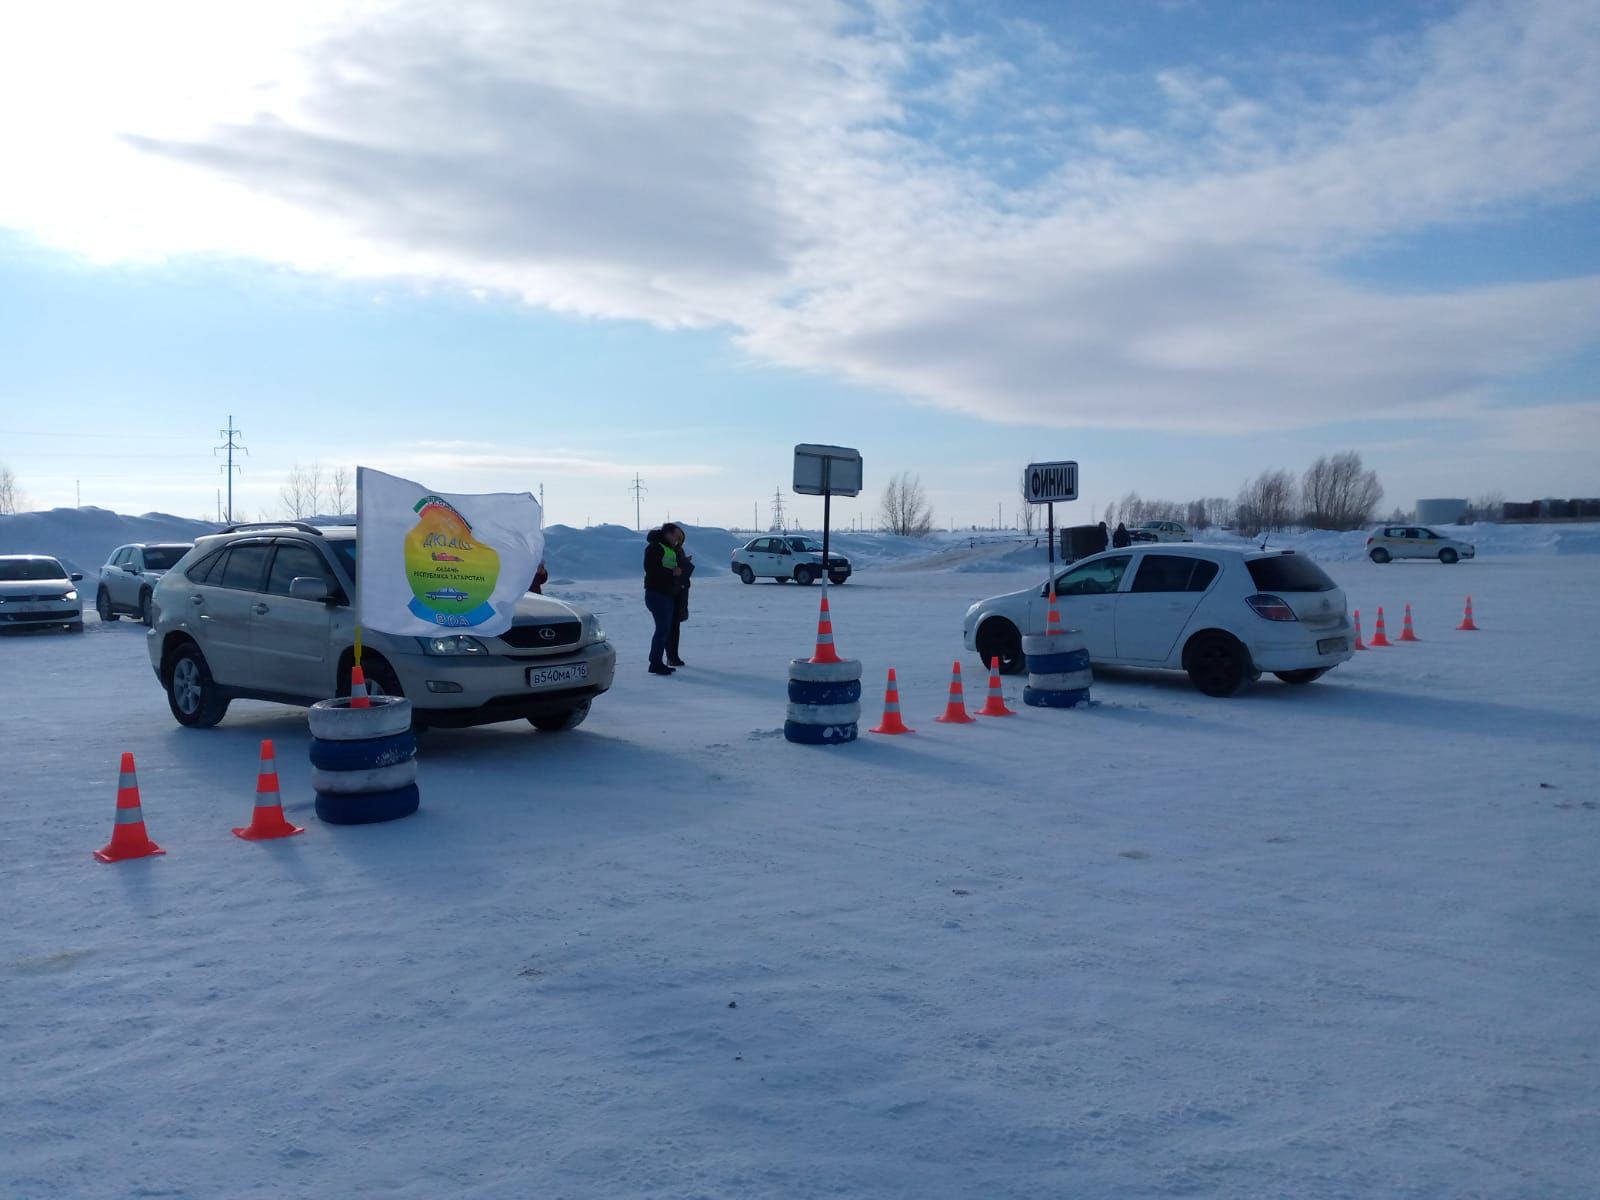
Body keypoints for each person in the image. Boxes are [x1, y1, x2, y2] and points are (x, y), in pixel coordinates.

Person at [642, 527, 681, 675]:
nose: (677, 539)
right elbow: (651, 569)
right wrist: (672, 572)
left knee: (664, 629)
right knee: (662, 629)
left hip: (666, 593)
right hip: (657, 594)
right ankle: (655, 663)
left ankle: (658, 661)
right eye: (675, 536)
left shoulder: (668, 548)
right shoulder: (655, 547)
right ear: (668, 534)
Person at [663, 524, 693, 667]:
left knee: (674, 626)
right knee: (670, 627)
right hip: (672, 591)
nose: (678, 540)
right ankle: (670, 656)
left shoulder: (677, 549)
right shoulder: (666, 549)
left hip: (678, 590)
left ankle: (672, 656)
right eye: (677, 536)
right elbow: (668, 568)